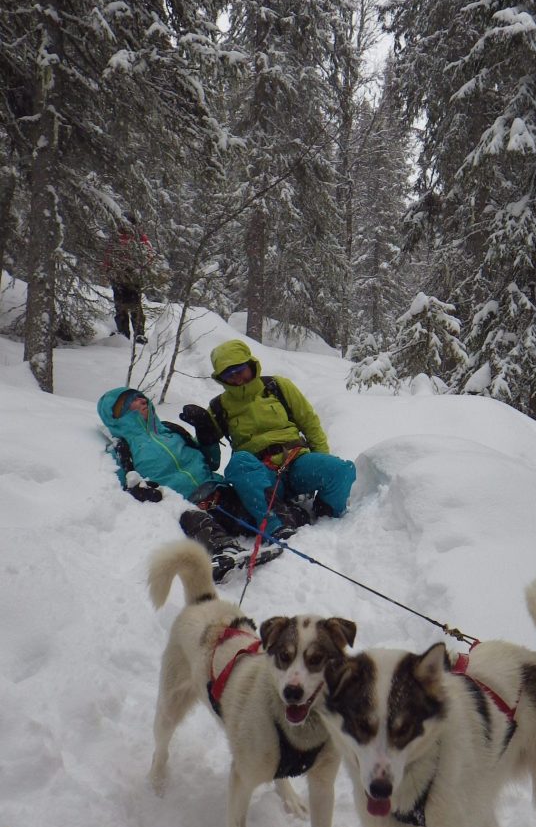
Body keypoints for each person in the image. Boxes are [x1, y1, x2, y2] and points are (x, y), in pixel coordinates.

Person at [179, 338, 356, 542]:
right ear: (221, 378)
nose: (237, 378)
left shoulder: (277, 386)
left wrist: (321, 461)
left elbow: (309, 423)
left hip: (297, 461)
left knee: (341, 470)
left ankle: (326, 515)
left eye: (240, 369)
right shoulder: (220, 407)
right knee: (239, 462)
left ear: (251, 364)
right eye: (229, 374)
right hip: (262, 475)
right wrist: (203, 429)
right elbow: (211, 459)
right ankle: (277, 524)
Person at [97, 386, 271, 581]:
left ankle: (278, 524)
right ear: (118, 414)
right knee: (195, 520)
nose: (142, 400)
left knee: (250, 511)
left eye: (140, 397)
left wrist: (206, 434)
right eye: (132, 401)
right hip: (184, 505)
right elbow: (124, 485)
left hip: (215, 491)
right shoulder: (122, 448)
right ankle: (225, 550)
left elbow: (211, 461)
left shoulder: (171, 430)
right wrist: (140, 492)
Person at [104, 214, 154, 344]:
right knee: (132, 307)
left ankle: (126, 335)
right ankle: (135, 335)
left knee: (125, 307)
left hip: (123, 277)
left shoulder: (122, 237)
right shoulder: (138, 237)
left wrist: (107, 269)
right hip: (129, 277)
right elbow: (149, 255)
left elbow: (108, 256)